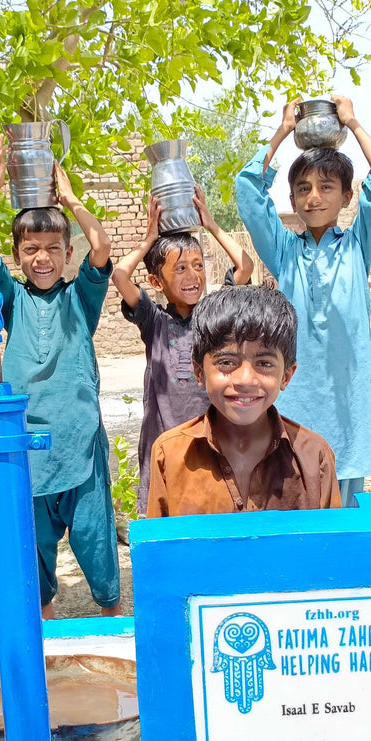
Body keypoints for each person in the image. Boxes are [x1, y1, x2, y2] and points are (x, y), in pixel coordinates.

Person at [0, 135, 121, 619]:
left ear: (66, 252)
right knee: (35, 550)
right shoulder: (12, 300)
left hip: (80, 442)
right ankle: (47, 630)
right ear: (17, 254)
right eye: (31, 249)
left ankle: (112, 617)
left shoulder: (81, 298)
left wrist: (71, 197)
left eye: (52, 248)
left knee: (95, 538)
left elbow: (102, 244)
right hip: (28, 446)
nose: (42, 258)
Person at [235, 95, 371, 506]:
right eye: (303, 189)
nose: (314, 197)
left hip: (349, 401)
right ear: (292, 201)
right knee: (295, 503)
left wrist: (352, 122)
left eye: (327, 187)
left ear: (346, 197)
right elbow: (247, 190)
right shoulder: (285, 252)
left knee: (346, 514)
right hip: (297, 400)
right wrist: (285, 129)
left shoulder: (358, 245)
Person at [112, 189, 254, 512]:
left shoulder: (215, 315)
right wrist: (149, 239)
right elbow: (120, 275)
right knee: (164, 523)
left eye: (198, 265)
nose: (193, 276)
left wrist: (212, 227)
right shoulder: (154, 321)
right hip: (163, 447)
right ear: (155, 281)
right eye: (180, 269)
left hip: (211, 446)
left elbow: (245, 266)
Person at [147, 285, 341, 516]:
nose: (245, 380)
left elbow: (329, 548)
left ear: (287, 376)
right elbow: (161, 548)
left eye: (265, 363)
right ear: (199, 372)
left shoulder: (314, 456)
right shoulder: (169, 454)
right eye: (227, 362)